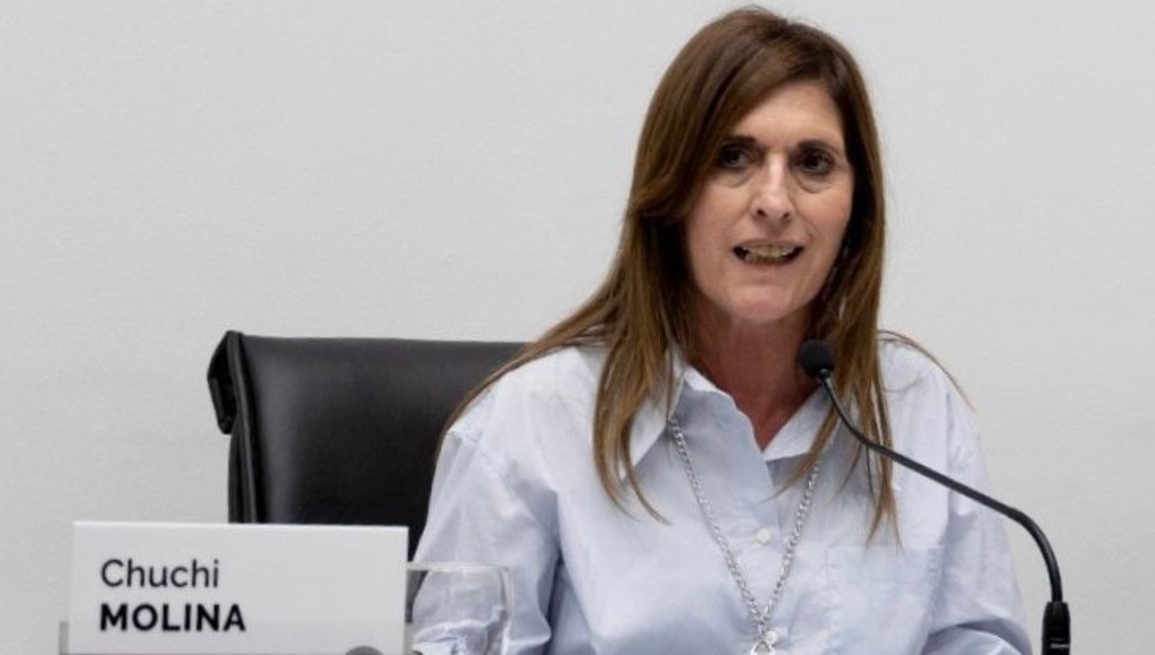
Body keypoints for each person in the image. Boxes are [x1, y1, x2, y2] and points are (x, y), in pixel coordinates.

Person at [415, 7, 1031, 654]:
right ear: (671, 193)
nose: (774, 202)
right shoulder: (530, 425)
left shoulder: (917, 412)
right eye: (733, 158)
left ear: (858, 208)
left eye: (813, 163)